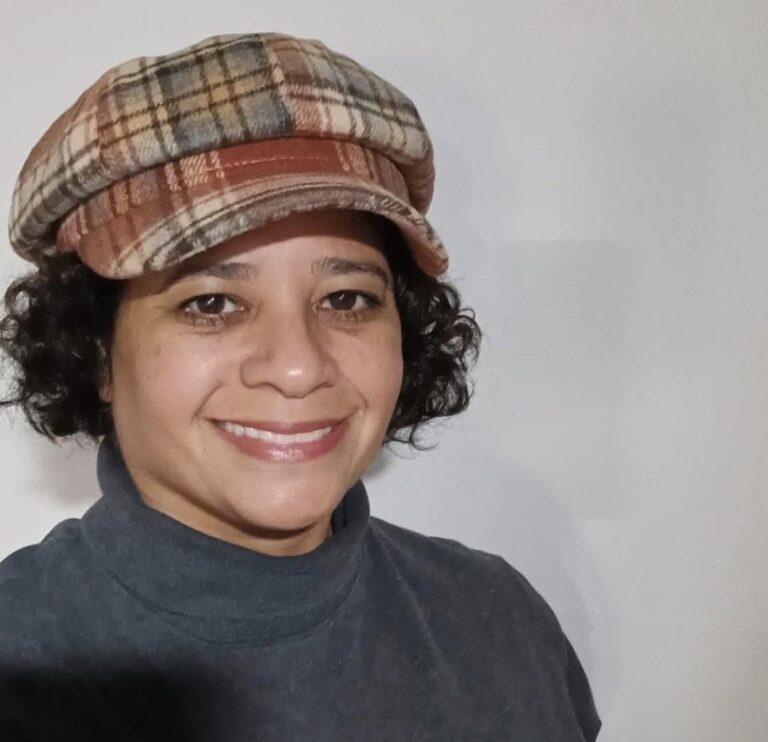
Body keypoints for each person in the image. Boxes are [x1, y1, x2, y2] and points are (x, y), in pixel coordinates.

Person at [0, 32, 601, 740]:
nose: (297, 366)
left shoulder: (499, 621)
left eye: (346, 298)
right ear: (97, 351)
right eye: (212, 303)